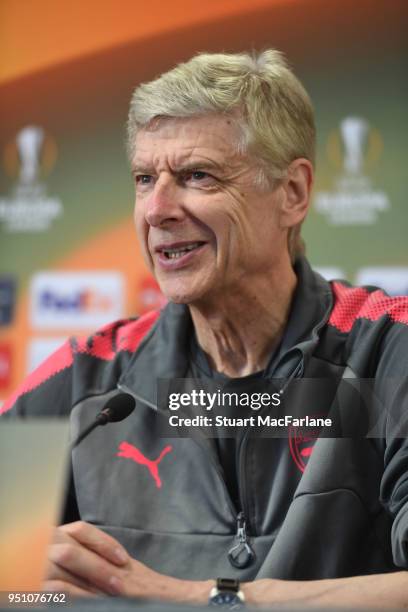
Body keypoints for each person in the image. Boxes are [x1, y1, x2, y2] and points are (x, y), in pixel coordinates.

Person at [2, 49, 408, 608]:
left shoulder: (388, 349)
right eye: (145, 179)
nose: (158, 209)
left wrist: (215, 599)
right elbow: (14, 587)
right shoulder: (86, 379)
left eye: (197, 175)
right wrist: (30, 592)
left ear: (292, 193)